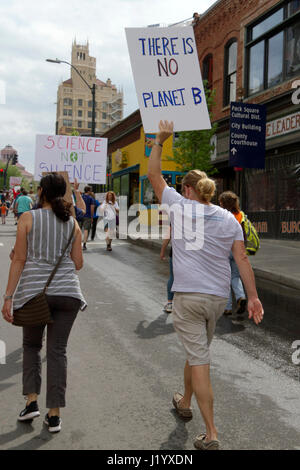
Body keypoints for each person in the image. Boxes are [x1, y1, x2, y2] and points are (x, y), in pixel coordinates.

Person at [147, 120, 264, 451]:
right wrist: (253, 297)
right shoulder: (229, 218)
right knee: (196, 351)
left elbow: (154, 176)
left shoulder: (180, 207)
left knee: (199, 360)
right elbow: (242, 261)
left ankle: (211, 433)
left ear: (187, 190)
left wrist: (160, 141)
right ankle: (185, 401)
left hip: (188, 299)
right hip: (216, 300)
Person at [1, 172, 86, 434]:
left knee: (31, 346)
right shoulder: (72, 223)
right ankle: (54, 415)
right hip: (68, 294)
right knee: (57, 351)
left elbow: (19, 260)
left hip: (35, 293)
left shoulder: (28, 218)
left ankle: (31, 402)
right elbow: (78, 264)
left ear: (40, 192)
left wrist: (8, 297)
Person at [219, 191, 247, 317]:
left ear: (223, 203)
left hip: (224, 249)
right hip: (237, 249)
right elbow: (243, 233)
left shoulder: (221, 215)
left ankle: (227, 307)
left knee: (224, 278)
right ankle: (241, 296)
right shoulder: (240, 215)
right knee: (235, 276)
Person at [160, 225, 173, 314]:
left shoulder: (177, 216)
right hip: (195, 255)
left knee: (173, 277)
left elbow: (168, 236)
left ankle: (170, 303)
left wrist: (162, 251)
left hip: (177, 254)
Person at [81, 186, 95, 251]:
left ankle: (76, 244)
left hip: (80, 215)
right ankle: (84, 245)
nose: (91, 192)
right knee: (86, 230)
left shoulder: (81, 197)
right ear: (88, 191)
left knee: (78, 230)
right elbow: (92, 208)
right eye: (91, 190)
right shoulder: (91, 198)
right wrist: (92, 217)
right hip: (87, 215)